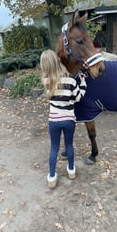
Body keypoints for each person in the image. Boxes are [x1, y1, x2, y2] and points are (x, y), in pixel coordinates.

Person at [40, 49, 87, 189]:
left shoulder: (45, 80)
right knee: (69, 145)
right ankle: (71, 171)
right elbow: (78, 98)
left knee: (54, 147)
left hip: (53, 120)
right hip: (68, 120)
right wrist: (83, 83)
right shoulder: (71, 80)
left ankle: (52, 177)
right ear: (57, 60)